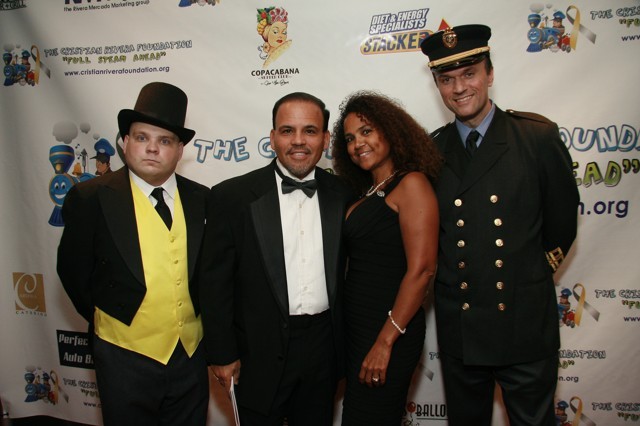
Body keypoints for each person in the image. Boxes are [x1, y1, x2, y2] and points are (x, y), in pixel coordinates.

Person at [420, 24, 580, 425]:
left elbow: (562, 222)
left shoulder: (536, 137)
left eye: (469, 74)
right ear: (437, 86)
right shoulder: (431, 151)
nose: (459, 88)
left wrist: (527, 276)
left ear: (490, 74)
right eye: (447, 79)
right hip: (462, 329)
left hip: (524, 325)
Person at [57, 82, 209, 426]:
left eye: (165, 141)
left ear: (180, 150)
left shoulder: (203, 198)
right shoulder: (90, 198)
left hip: (190, 355)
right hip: (123, 356)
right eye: (142, 137)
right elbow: (74, 274)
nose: (152, 148)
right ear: (125, 142)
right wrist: (115, 317)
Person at [200, 92, 353, 425]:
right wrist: (222, 353)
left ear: (326, 139)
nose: (298, 141)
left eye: (310, 131)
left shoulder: (345, 194)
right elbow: (214, 284)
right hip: (256, 352)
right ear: (272, 138)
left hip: (324, 351)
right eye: (287, 131)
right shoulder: (232, 196)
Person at [331, 91, 441, 425]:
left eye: (366, 131)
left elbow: (422, 270)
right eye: (350, 138)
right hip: (358, 329)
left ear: (391, 131)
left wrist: (385, 341)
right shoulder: (363, 194)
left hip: (389, 330)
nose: (357, 144)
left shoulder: (411, 184)